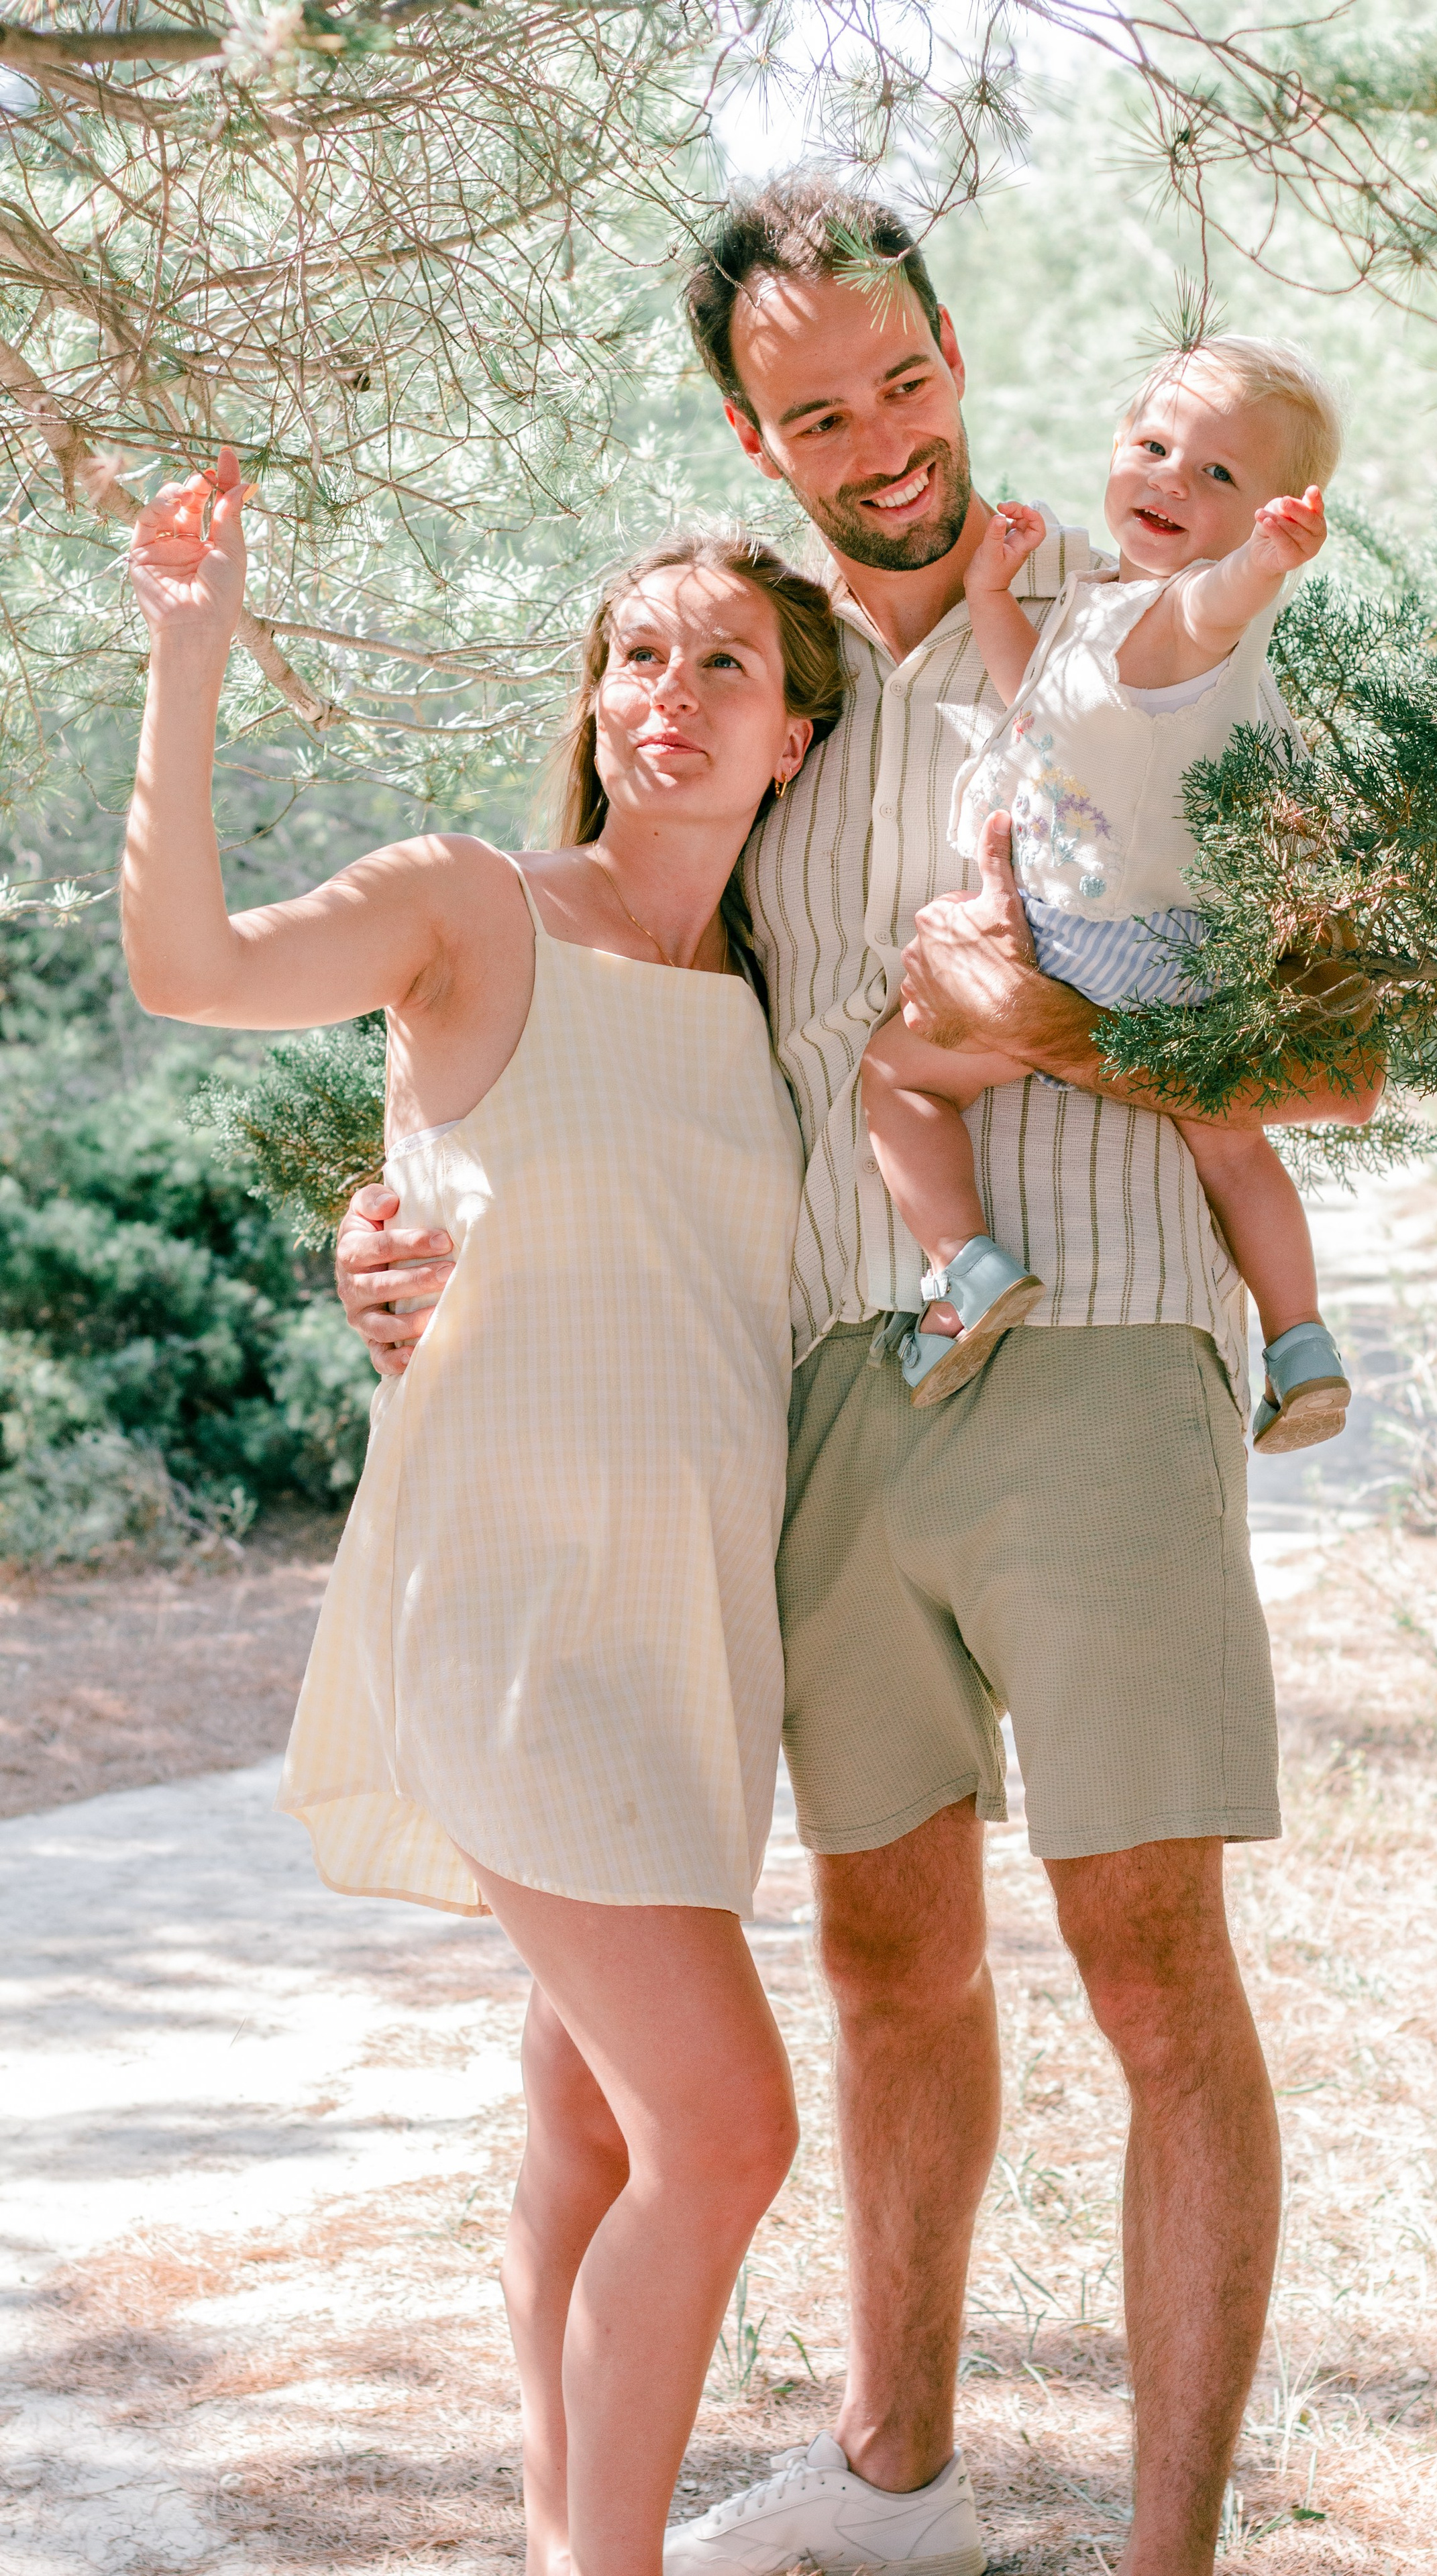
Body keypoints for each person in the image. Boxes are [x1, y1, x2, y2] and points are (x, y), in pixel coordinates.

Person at [333, 177, 1385, 2576]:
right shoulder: (761, 703)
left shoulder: (1143, 646)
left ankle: (1168, 2554)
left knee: (1150, 1967)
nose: (884, 437)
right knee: (885, 1957)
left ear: (951, 354)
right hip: (823, 1401)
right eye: (821, 411)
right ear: (758, 433)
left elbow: (1335, 1065)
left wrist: (1074, 1031)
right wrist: (388, 1230)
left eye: (906, 379)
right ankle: (896, 2481)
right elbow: (548, 1000)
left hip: (1105, 1358)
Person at [119, 466, 847, 2576]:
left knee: (596, 2127)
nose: (677, 696)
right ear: (597, 698)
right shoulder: (469, 904)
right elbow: (188, 966)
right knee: (727, 2134)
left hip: (691, 1635)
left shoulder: (771, 1002)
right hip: (514, 1621)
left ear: (795, 731)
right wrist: (191, 651)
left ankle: (556, 2540)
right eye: (642, 657)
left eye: (730, 666)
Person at [859, 337, 1352, 1451]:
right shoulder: (1111, 613)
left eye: (1221, 475)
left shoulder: (1189, 620)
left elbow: (1214, 607)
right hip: (1197, 955)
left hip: (1088, 945)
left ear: (1271, 511)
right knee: (1230, 1148)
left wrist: (1266, 565)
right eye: (1155, 446)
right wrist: (993, 584)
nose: (1174, 477)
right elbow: (1038, 687)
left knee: (899, 1075)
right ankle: (1303, 1347)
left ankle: (967, 1272)